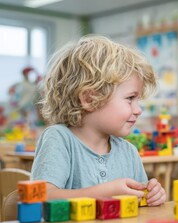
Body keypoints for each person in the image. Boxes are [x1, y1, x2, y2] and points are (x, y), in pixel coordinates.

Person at [31, 35, 166, 206]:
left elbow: (140, 202)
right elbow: (41, 197)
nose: (138, 110)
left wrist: (152, 196)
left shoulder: (128, 152)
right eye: (130, 98)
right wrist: (104, 193)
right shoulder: (59, 139)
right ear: (89, 99)